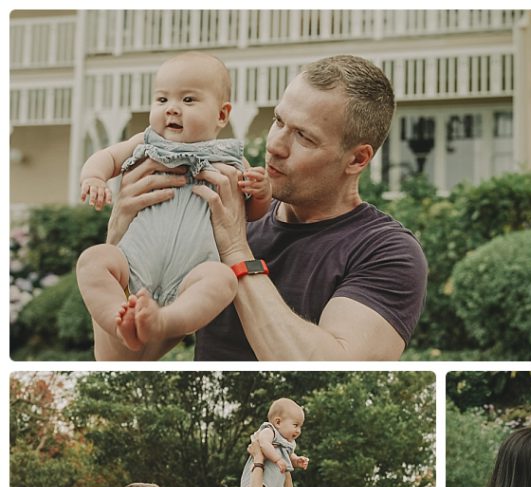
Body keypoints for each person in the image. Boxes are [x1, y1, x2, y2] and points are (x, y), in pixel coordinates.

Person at [105, 54, 428, 361]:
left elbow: (330, 369)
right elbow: (123, 358)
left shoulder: (388, 251)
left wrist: (235, 249)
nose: (274, 145)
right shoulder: (224, 208)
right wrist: (120, 239)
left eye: (303, 136)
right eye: (278, 120)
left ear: (357, 159)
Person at [77, 52, 272, 361]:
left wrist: (261, 191)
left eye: (189, 100)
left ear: (222, 115)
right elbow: (108, 157)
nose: (172, 108)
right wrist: (94, 177)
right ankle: (121, 320)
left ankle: (163, 321)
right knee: (94, 259)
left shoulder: (230, 158)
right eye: (162, 99)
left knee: (221, 279)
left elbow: (254, 212)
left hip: (190, 279)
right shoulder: (147, 141)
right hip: (133, 265)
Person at [240, 398, 310, 487]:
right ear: (278, 422)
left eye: (300, 427)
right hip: (261, 480)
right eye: (296, 425)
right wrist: (277, 460)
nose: (298, 430)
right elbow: (263, 445)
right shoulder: (269, 430)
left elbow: (289, 456)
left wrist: (296, 460)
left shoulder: (288, 443)